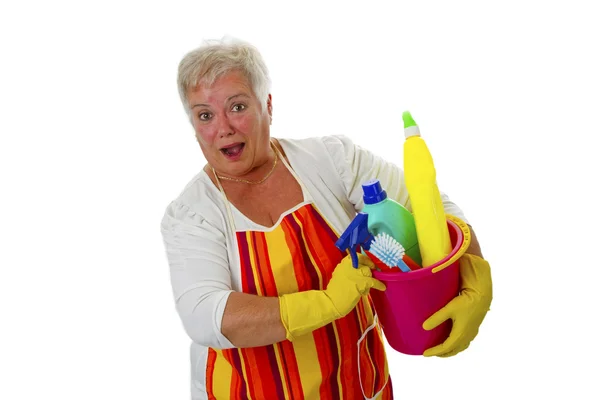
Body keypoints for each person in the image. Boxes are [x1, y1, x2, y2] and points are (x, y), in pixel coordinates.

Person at [160, 37, 493, 400]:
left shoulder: (332, 160)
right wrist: (327, 303)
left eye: (237, 106)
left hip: (359, 386)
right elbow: (207, 315)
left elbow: (429, 205)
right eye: (205, 115)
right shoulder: (191, 213)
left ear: (267, 106)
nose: (223, 127)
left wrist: (473, 271)